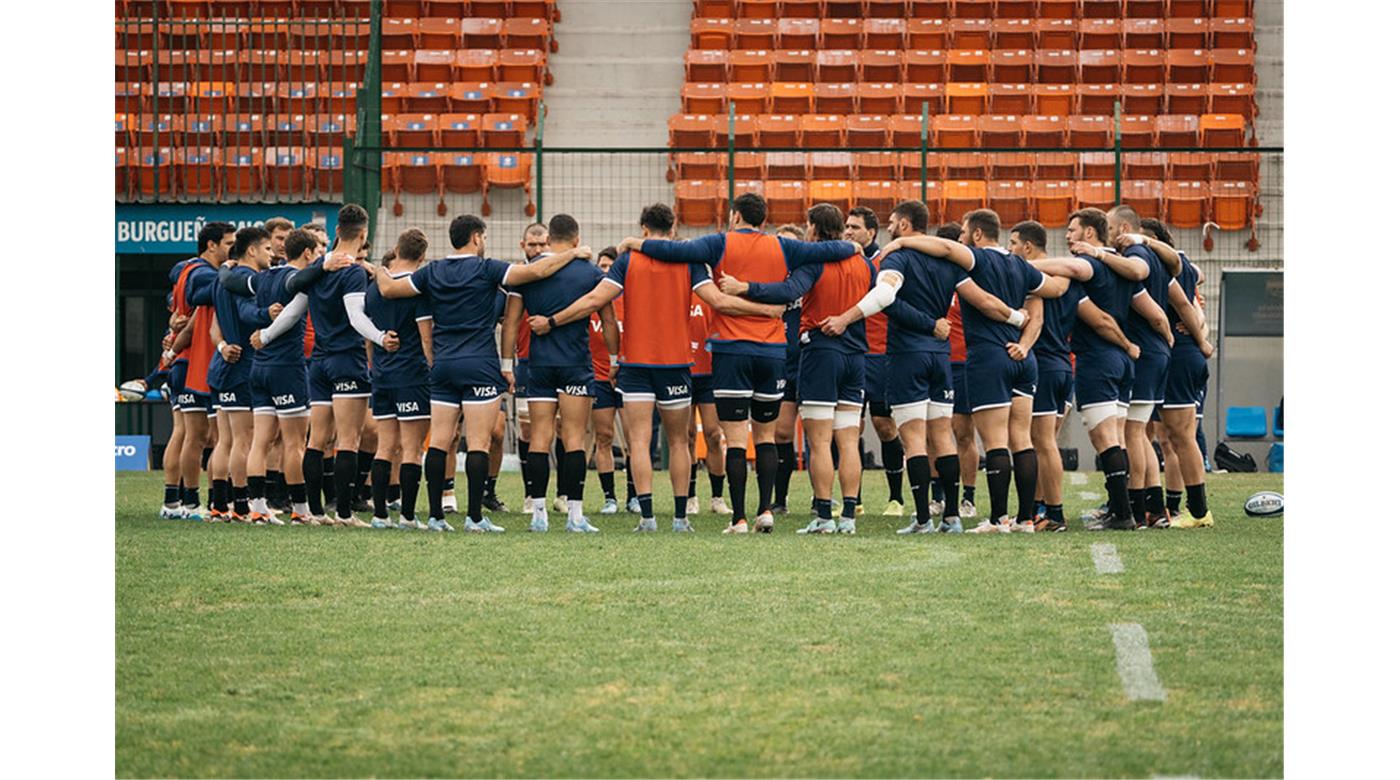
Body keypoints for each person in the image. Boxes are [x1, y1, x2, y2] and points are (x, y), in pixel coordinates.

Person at [619, 193, 862, 533]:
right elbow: (828, 250)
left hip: (732, 350)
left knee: (735, 440)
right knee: (765, 437)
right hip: (772, 351)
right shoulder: (783, 246)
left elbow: (674, 250)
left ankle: (739, 518)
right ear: (764, 219)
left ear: (734, 216)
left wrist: (636, 243)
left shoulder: (719, 243)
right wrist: (852, 248)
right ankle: (766, 510)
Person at [540, 203, 784, 532]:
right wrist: (766, 311)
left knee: (639, 442)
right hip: (676, 364)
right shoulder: (689, 261)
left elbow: (593, 301)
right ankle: (681, 518)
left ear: (643, 229)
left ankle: (648, 517)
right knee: (679, 442)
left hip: (637, 364)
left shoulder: (627, 260)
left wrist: (552, 320)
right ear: (672, 230)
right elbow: (720, 301)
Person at [373, 214, 588, 532]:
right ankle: (475, 518)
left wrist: (376, 268)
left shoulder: (433, 271)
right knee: (478, 443)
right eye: (484, 237)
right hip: (479, 365)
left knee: (439, 443)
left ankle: (435, 516)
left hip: (443, 365)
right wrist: (573, 253)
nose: (484, 242)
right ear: (476, 237)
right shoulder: (488, 269)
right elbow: (536, 270)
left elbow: (389, 289)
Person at [819, 200, 1017, 535]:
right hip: (941, 357)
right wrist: (1017, 318)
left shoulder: (896, 256)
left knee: (913, 441)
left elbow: (885, 298)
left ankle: (923, 518)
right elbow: (982, 300)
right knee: (943, 436)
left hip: (908, 355)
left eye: (893, 222)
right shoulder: (947, 259)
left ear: (906, 225)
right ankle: (952, 516)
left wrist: (845, 318)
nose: (890, 228)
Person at [885, 211, 1072, 534]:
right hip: (1022, 359)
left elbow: (944, 251)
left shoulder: (977, 260)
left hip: (989, 357)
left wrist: (903, 240)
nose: (959, 242)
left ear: (975, 235)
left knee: (996, 442)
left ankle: (999, 519)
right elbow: (1055, 289)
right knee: (1022, 440)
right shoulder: (1021, 266)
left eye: (963, 236)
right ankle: (1025, 519)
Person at [718, 204, 874, 534]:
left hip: (822, 352)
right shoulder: (863, 263)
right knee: (848, 440)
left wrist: (744, 287)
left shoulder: (816, 260)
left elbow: (788, 291)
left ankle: (823, 516)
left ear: (814, 229)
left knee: (818, 442)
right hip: (857, 357)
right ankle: (848, 515)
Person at [1031, 208, 1170, 531]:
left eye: (1072, 230)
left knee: (1106, 439)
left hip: (1098, 359)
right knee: (1122, 438)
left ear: (1089, 234)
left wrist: (1018, 266)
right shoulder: (1124, 270)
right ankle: (1131, 509)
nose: (1067, 236)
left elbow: (1069, 268)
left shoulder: (1091, 264)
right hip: (1123, 364)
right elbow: (1153, 311)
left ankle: (1121, 514)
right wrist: (1162, 341)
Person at [502, 214, 610, 533]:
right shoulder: (590, 272)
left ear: (549, 240)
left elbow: (510, 323)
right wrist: (616, 358)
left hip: (537, 365)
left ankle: (538, 513)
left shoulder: (529, 273)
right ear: (576, 241)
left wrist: (507, 365)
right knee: (574, 437)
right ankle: (575, 515)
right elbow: (609, 320)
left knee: (539, 437)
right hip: (575, 363)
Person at [1128, 218, 1216, 529]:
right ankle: (1156, 504)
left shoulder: (1164, 265)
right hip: (1173, 353)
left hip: (1178, 355)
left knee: (1180, 436)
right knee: (1154, 436)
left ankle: (1197, 511)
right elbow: (1194, 289)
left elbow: (1184, 302)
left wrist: (1201, 339)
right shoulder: (1184, 267)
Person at [1106, 205, 1179, 529]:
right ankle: (1154, 508)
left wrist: (1100, 254)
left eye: (1109, 228)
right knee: (1143, 433)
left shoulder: (1137, 253)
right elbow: (1179, 264)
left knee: (1132, 433)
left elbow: (1138, 274)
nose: (1108, 235)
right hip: (1155, 352)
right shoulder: (1160, 255)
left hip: (1144, 353)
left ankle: (1135, 509)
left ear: (1123, 228)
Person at [244, 227, 321, 525]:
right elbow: (290, 316)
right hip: (286, 368)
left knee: (260, 441)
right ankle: (300, 511)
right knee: (294, 443)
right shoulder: (297, 281)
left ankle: (258, 508)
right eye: (315, 253)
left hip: (259, 368)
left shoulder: (264, 277)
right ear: (306, 253)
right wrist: (265, 334)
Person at [365, 229, 434, 529]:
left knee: (385, 446)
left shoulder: (373, 288)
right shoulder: (417, 288)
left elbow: (369, 337)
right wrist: (433, 369)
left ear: (395, 249)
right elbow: (426, 338)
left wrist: (374, 365)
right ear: (422, 257)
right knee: (411, 449)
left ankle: (380, 515)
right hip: (412, 374)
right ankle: (407, 516)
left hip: (381, 373)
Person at [170, 221, 235, 521]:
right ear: (211, 245)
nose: (231, 250)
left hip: (186, 358)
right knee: (197, 436)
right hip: (193, 360)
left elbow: (179, 303)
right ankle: (190, 503)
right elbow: (197, 303)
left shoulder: (185, 269)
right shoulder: (203, 274)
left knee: (193, 435)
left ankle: (179, 501)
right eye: (227, 244)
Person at [845, 206, 906, 517]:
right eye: (846, 227)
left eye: (855, 227)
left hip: (882, 355)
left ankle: (896, 498)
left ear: (871, 232)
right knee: (849, 427)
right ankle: (853, 500)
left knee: (884, 425)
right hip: (852, 353)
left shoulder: (888, 263)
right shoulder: (844, 261)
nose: (849, 232)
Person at [936, 222, 982, 522]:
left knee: (963, 433)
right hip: (939, 360)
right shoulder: (934, 277)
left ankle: (968, 498)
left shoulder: (973, 277)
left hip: (965, 362)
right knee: (934, 431)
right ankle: (937, 497)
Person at [768, 223, 807, 517]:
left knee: (825, 433)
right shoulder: (768, 279)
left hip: (810, 361)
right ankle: (779, 500)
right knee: (781, 433)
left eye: (789, 243)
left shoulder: (808, 276)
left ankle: (830, 499)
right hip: (779, 362)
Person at [686, 276, 731, 517]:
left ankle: (717, 497)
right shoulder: (676, 291)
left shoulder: (711, 292)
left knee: (714, 434)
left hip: (710, 373)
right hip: (683, 370)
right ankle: (690, 497)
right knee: (687, 436)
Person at [588, 247, 625, 515]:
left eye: (609, 266)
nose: (604, 270)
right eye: (600, 265)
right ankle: (610, 497)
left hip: (629, 375)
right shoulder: (591, 301)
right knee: (604, 436)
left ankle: (636, 496)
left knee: (636, 439)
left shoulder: (632, 300)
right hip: (599, 376)